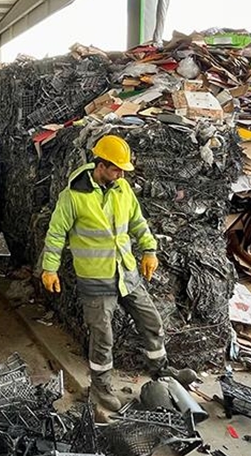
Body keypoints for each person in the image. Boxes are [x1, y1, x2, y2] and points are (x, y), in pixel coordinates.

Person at [40, 135, 183, 412]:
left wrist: (149, 250)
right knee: (102, 337)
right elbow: (56, 234)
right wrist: (49, 269)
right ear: (101, 165)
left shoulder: (122, 189)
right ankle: (101, 388)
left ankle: (161, 370)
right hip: (95, 278)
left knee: (151, 320)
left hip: (125, 272)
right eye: (116, 169)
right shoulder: (73, 197)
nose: (120, 174)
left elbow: (138, 222)